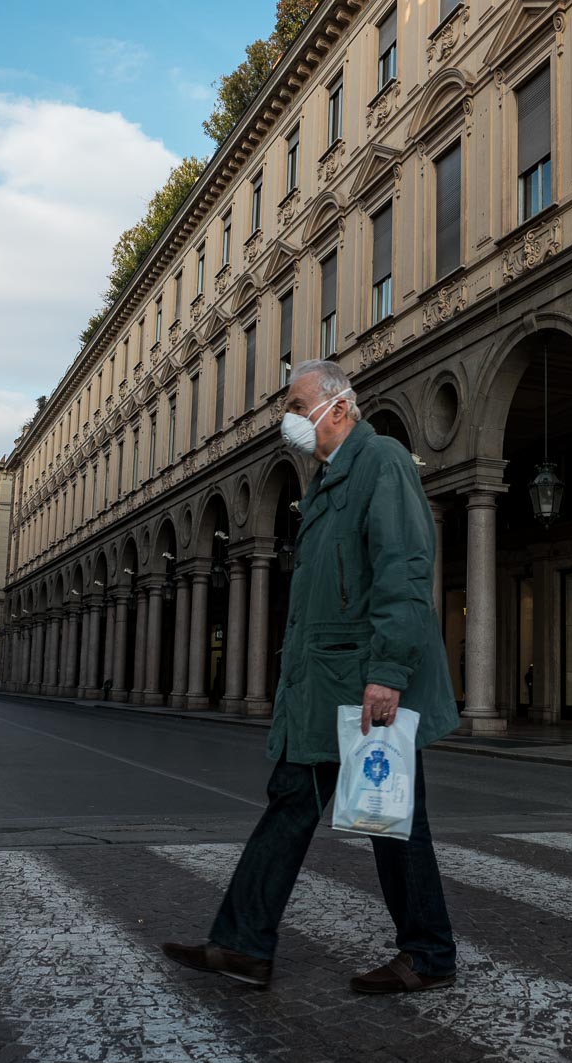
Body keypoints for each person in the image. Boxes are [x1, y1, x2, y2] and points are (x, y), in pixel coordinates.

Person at [163, 361, 459, 995]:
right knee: (308, 803)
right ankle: (243, 944)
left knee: (389, 816)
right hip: (327, 681)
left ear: (339, 407)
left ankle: (427, 952)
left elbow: (404, 569)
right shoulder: (327, 481)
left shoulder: (380, 463)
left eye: (298, 406)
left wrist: (387, 672)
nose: (289, 420)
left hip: (361, 682)